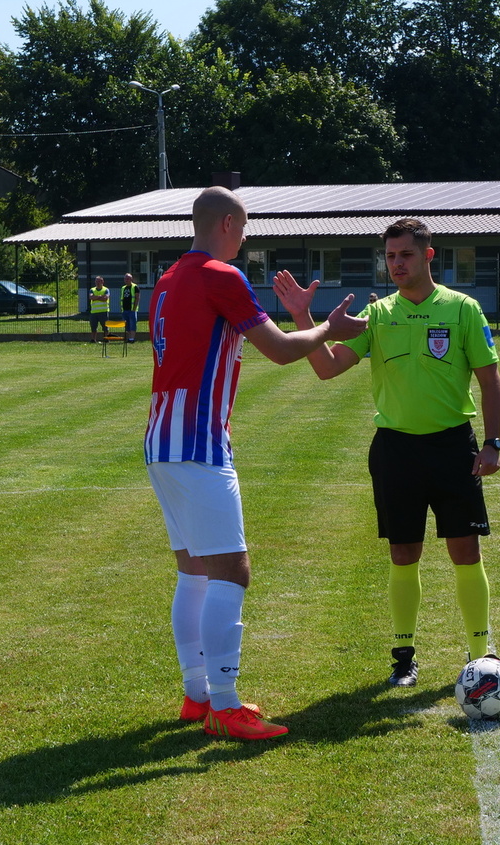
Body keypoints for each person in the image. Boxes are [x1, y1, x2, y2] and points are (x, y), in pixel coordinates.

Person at [148, 186, 367, 740]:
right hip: (198, 443)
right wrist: (328, 328)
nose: (244, 240)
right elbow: (282, 350)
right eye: (243, 229)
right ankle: (225, 705)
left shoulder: (168, 279)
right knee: (231, 569)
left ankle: (198, 695)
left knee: (193, 570)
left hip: (162, 439)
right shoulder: (220, 275)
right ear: (227, 223)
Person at [273, 218, 500, 688]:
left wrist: (492, 442)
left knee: (465, 549)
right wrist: (303, 317)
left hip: (452, 446)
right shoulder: (376, 315)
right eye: (391, 256)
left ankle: (481, 654)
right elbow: (327, 369)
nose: (397, 264)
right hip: (396, 450)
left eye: (406, 255)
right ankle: (403, 657)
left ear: (428, 255)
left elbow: (489, 379)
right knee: (403, 552)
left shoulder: (463, 309)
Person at [88, 276, 110, 343]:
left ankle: (106, 339)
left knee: (105, 327)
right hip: (94, 312)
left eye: (99, 281)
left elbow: (105, 298)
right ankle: (93, 339)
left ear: (102, 282)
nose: (97, 283)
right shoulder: (92, 289)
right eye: (96, 281)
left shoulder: (106, 290)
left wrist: (96, 298)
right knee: (93, 327)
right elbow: (91, 297)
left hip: (103, 311)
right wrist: (100, 296)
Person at [121, 272, 139, 342]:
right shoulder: (123, 288)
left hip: (132, 309)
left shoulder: (135, 287)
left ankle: (132, 338)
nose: (126, 280)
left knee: (132, 324)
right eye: (125, 278)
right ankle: (129, 338)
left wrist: (134, 308)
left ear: (131, 279)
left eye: (128, 278)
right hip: (125, 309)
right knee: (127, 325)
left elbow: (137, 298)